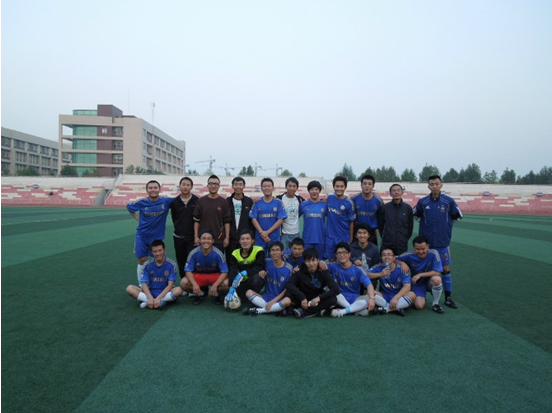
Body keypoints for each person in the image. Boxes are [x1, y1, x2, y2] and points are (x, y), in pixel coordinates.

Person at [413, 175, 462, 308]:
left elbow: (458, 216)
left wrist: (446, 225)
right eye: (432, 184)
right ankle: (419, 294)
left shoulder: (449, 201)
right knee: (422, 268)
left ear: (441, 185)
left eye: (436, 184)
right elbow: (415, 214)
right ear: (428, 186)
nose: (434, 186)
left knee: (445, 268)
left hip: (442, 242)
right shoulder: (423, 202)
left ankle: (448, 297)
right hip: (426, 244)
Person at [127, 180, 174, 283]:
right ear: (147, 190)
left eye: (155, 187)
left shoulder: (166, 201)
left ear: (159, 189)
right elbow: (129, 207)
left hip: (157, 236)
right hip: (142, 235)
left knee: (160, 259)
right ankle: (141, 284)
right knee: (142, 259)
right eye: (150, 188)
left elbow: (180, 200)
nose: (153, 190)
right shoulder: (142, 202)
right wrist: (138, 219)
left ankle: (161, 283)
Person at [126, 240, 183, 309]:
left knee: (179, 290)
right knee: (129, 288)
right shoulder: (147, 265)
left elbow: (170, 285)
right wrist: (150, 297)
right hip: (150, 292)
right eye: (155, 251)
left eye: (160, 250)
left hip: (164, 292)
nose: (158, 253)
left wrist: (159, 297)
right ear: (151, 252)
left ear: (164, 250)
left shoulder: (172, 265)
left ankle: (149, 301)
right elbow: (144, 283)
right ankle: (156, 301)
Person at [286, 248, 340, 318]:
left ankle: (304, 312)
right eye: (308, 261)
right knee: (289, 293)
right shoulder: (299, 271)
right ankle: (319, 310)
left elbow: (335, 289)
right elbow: (289, 284)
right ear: (305, 262)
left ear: (318, 260)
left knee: (333, 299)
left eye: (313, 260)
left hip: (317, 298)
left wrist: (319, 298)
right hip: (303, 297)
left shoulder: (323, 271)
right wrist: (302, 297)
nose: (311, 264)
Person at [327, 242, 377, 317]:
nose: (341, 255)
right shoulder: (333, 266)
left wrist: (372, 299)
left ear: (349, 254)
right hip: (339, 298)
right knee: (331, 292)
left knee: (372, 297)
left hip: (355, 299)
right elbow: (320, 266)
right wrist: (321, 263)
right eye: (339, 253)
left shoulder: (358, 270)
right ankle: (354, 310)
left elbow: (369, 285)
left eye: (344, 253)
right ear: (336, 255)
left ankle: (344, 311)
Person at [243, 242, 292, 316]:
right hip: (264, 297)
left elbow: (286, 290)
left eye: (277, 250)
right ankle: (275, 310)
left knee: (287, 301)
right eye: (272, 250)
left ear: (282, 252)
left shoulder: (288, 269)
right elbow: (258, 269)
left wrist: (274, 301)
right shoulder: (267, 262)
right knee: (248, 292)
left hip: (278, 299)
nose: (275, 252)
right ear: (269, 252)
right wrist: (261, 271)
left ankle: (259, 310)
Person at [181, 229, 229, 305]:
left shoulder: (218, 253)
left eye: (209, 239)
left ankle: (216, 294)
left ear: (213, 241)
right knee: (183, 283)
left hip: (214, 276)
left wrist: (215, 285)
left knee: (227, 284)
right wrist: (194, 284)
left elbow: (224, 271)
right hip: (199, 276)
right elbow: (188, 270)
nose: (206, 241)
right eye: (203, 238)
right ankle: (201, 294)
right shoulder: (193, 253)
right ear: (200, 240)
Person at [398, 236, 445, 314]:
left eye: (423, 249)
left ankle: (435, 304)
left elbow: (437, 272)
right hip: (417, 283)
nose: (420, 251)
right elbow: (393, 259)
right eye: (417, 249)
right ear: (414, 247)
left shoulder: (434, 253)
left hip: (430, 281)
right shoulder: (409, 255)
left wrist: (420, 275)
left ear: (428, 246)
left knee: (437, 279)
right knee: (419, 306)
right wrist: (402, 263)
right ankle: (421, 298)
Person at [368, 248, 415, 316]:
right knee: (370, 292)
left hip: (399, 296)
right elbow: (365, 275)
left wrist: (396, 298)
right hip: (384, 295)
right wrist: (380, 274)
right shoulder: (379, 267)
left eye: (389, 255)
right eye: (384, 255)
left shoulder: (402, 269)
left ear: (394, 258)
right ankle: (397, 308)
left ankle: (386, 309)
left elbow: (407, 286)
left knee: (412, 294)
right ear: (381, 258)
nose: (386, 257)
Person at [169, 177, 199, 280]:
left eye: (188, 185)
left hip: (192, 238)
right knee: (181, 262)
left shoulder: (197, 200)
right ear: (180, 186)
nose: (185, 187)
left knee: (193, 262)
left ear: (191, 187)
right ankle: (184, 283)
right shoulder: (174, 202)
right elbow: (174, 218)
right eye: (183, 184)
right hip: (178, 237)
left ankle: (193, 284)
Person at [193, 174, 232, 253]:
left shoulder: (223, 202)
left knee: (217, 260)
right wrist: (196, 236)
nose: (213, 186)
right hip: (203, 240)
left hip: (219, 240)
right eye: (211, 184)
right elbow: (197, 221)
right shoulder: (201, 201)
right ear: (207, 186)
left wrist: (227, 238)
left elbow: (226, 222)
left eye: (216, 184)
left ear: (219, 186)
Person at [227, 230, 266, 301]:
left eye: (247, 239)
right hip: (240, 281)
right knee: (225, 284)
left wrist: (245, 272)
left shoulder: (258, 250)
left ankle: (255, 296)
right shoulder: (235, 253)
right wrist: (231, 287)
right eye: (242, 239)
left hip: (252, 279)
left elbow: (259, 267)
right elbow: (233, 270)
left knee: (258, 278)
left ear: (252, 241)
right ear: (239, 241)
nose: (245, 241)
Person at [249, 177, 287, 249]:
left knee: (274, 255)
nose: (267, 188)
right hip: (260, 238)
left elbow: (281, 219)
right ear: (261, 188)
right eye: (264, 186)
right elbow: (253, 219)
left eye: (269, 186)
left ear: (273, 188)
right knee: (260, 256)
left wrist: (267, 232)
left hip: (274, 238)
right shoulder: (257, 203)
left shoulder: (278, 202)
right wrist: (262, 233)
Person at [325, 176, 355, 261]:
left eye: (341, 186)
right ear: (333, 187)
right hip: (330, 236)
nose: (339, 188)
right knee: (331, 260)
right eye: (337, 186)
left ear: (345, 187)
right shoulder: (330, 198)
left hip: (343, 237)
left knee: (343, 261)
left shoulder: (349, 203)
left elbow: (352, 221)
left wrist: (351, 238)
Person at [226, 176, 255, 263]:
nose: (238, 187)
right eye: (236, 184)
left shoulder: (249, 201)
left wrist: (252, 236)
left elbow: (252, 220)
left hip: (245, 239)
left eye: (240, 184)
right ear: (232, 186)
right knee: (231, 261)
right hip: (231, 238)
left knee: (245, 262)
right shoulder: (227, 201)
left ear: (244, 186)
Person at [379, 184, 413, 255]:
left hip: (402, 244)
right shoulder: (385, 208)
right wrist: (387, 238)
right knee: (386, 262)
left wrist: (403, 238)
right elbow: (381, 226)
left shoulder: (408, 208)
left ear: (402, 192)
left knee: (400, 261)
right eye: (394, 191)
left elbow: (410, 227)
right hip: (387, 244)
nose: (396, 192)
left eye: (398, 190)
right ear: (390, 193)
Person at [351, 174, 383, 245]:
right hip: (358, 232)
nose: (367, 186)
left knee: (373, 251)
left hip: (371, 233)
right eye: (364, 183)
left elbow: (381, 219)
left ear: (373, 186)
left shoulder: (379, 201)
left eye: (369, 184)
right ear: (361, 185)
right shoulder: (353, 199)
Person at [299, 180, 327, 260]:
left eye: (316, 189)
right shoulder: (303, 205)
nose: (314, 191)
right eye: (312, 189)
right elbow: (294, 217)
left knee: (320, 262)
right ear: (309, 191)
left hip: (321, 239)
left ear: (319, 191)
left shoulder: (325, 204)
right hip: (307, 239)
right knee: (307, 261)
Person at [276, 177, 305, 250]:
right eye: (290, 186)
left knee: (296, 254)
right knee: (283, 254)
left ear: (297, 188)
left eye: (294, 186)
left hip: (296, 233)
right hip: (284, 234)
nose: (292, 188)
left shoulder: (300, 199)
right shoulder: (279, 199)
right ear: (286, 187)